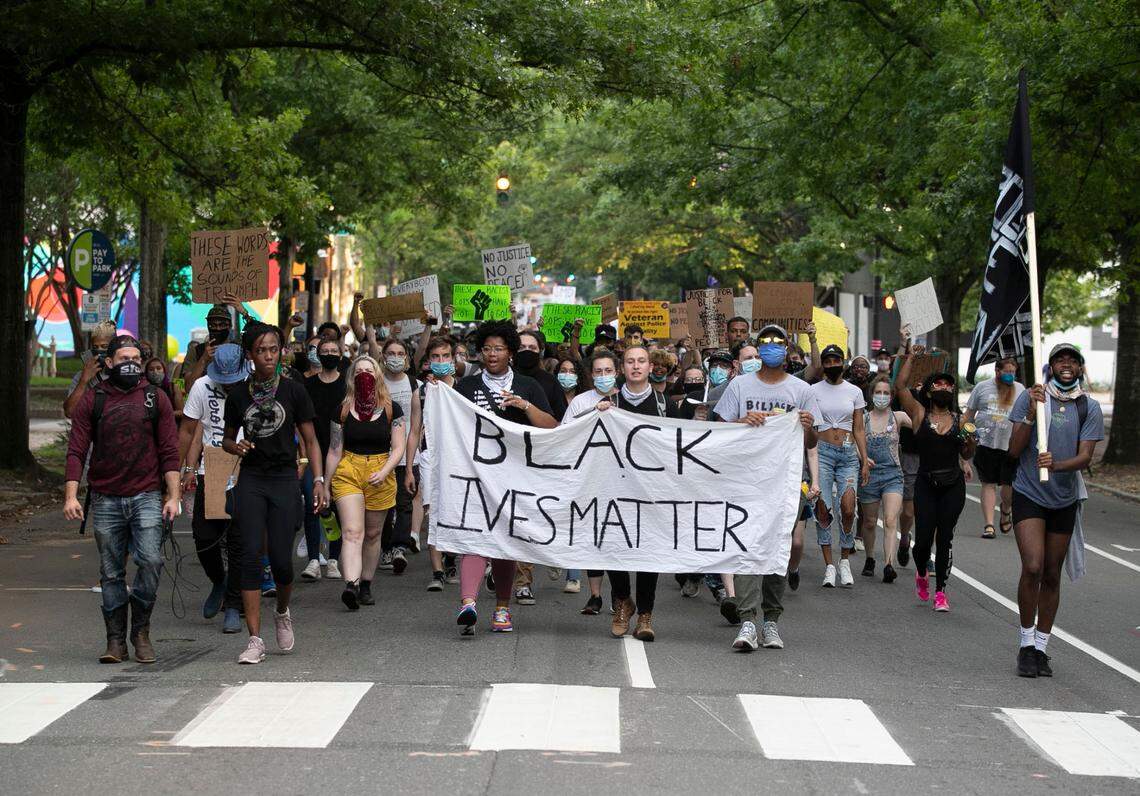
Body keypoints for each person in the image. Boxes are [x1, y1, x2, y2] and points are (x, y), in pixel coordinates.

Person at [63, 335, 180, 664]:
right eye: (122, 358)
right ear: (110, 363)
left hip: (146, 495)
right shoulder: (94, 399)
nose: (129, 363)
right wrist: (71, 494)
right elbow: (77, 449)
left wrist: (172, 495)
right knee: (111, 572)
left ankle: (140, 631)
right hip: (106, 499)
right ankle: (115, 640)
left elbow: (169, 451)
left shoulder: (156, 399)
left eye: (135, 358)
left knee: (152, 561)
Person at [222, 323, 327, 665]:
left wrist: (319, 479)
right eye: (261, 350)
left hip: (284, 479)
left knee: (282, 563)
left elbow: (311, 440)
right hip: (252, 479)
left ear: (281, 351)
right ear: (250, 355)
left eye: (273, 349)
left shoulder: (294, 391)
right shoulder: (238, 394)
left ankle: (282, 610)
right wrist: (236, 447)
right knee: (250, 555)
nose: (268, 355)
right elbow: (226, 438)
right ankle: (255, 639)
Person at [712, 325, 816, 652]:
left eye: (778, 343)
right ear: (758, 349)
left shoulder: (801, 390)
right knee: (747, 546)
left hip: (786, 484)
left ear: (787, 350)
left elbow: (813, 441)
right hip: (746, 481)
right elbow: (717, 431)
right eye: (766, 343)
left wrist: (808, 428)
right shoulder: (739, 387)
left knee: (776, 550)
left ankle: (771, 620)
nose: (772, 348)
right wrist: (741, 423)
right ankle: (747, 620)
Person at [453, 320, 557, 634]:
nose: (492, 354)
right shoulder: (467, 388)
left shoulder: (528, 386)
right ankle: (468, 604)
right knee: (474, 536)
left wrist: (524, 406)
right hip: (477, 475)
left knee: (503, 543)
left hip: (515, 479)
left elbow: (551, 426)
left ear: (510, 352)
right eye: (486, 349)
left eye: (498, 349)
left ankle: (502, 608)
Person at [1007, 343, 1103, 678]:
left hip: (1064, 498)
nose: (1066, 364)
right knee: (1032, 566)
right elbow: (1014, 449)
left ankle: (1041, 648)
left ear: (1080, 368)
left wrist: (1057, 464)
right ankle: (1025, 643)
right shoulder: (1032, 397)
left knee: (1051, 573)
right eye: (1060, 360)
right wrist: (1032, 413)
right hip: (1029, 493)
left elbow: (1086, 456)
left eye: (1072, 360)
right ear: (1050, 367)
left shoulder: (1087, 406)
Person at [595, 345, 680, 642]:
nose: (635, 366)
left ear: (649, 366)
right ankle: (622, 600)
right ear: (622, 369)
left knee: (648, 552)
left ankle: (645, 614)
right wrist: (598, 416)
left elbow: (680, 445)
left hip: (651, 491)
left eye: (641, 361)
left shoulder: (664, 404)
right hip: (614, 490)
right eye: (630, 361)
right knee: (611, 547)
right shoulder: (609, 403)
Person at [895, 336, 976, 614]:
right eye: (938, 384)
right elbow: (901, 386)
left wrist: (970, 440)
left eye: (948, 384)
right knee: (924, 539)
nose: (943, 387)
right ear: (929, 391)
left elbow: (967, 454)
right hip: (926, 483)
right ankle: (920, 569)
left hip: (952, 484)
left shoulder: (962, 419)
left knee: (945, 539)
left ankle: (940, 591)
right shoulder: (919, 413)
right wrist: (912, 358)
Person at [323, 356, 406, 610]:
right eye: (359, 371)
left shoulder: (393, 409)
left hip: (380, 470)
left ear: (378, 375)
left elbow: (398, 446)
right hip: (349, 470)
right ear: (352, 377)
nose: (364, 375)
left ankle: (366, 584)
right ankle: (351, 584)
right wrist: (325, 485)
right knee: (352, 532)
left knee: (372, 534)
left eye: (369, 370)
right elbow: (334, 450)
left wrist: (385, 471)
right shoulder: (343, 409)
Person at [178, 343, 249, 634]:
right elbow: (192, 432)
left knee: (237, 541)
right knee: (203, 537)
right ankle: (219, 582)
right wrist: (187, 469)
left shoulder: (254, 386)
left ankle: (233, 605)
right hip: (213, 466)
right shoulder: (201, 387)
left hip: (246, 465)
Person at [563, 348, 621, 613]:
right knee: (595, 536)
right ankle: (595, 595)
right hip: (589, 479)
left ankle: (621, 595)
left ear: (616, 372)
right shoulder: (580, 402)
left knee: (618, 538)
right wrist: (591, 414)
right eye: (598, 371)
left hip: (624, 480)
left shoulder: (626, 399)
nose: (603, 376)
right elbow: (564, 435)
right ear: (591, 375)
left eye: (608, 371)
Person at [810, 344, 868, 588]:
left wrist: (864, 460)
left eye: (836, 360)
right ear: (823, 364)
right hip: (822, 452)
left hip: (847, 453)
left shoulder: (854, 391)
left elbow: (859, 428)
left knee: (847, 506)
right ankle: (829, 566)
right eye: (828, 361)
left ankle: (844, 559)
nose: (832, 365)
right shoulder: (812, 390)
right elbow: (809, 426)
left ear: (843, 363)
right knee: (822, 507)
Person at [406, 336, 461, 591]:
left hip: (459, 460)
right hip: (430, 458)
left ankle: (450, 557)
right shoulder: (422, 392)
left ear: (452, 359)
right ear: (428, 361)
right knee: (433, 512)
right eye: (435, 357)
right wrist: (410, 467)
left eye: (445, 356)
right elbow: (414, 431)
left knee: (454, 512)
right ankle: (437, 571)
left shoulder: (463, 389)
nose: (440, 362)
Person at [858, 375, 911, 583]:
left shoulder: (898, 417)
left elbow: (920, 421)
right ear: (872, 395)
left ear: (892, 396)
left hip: (893, 474)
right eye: (878, 392)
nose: (882, 396)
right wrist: (863, 457)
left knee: (890, 520)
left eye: (886, 393)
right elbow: (854, 439)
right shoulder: (862, 418)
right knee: (870, 522)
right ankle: (870, 558)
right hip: (868, 475)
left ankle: (889, 564)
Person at [965, 357, 1024, 538]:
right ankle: (989, 525)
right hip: (985, 443)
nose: (1010, 376)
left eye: (1013, 372)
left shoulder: (1020, 390)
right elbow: (969, 414)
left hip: (1010, 446)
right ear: (997, 371)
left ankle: (1005, 508)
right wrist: (967, 437)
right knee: (988, 484)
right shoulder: (982, 387)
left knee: (1008, 487)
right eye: (1007, 372)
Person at [304, 338, 348, 580]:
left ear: (340, 355)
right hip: (314, 454)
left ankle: (333, 558)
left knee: (337, 507)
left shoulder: (346, 385)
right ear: (317, 355)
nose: (329, 354)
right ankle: (312, 559)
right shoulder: (307, 385)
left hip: (341, 453)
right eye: (325, 351)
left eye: (334, 351)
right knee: (313, 503)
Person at [377, 336, 419, 573]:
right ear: (383, 357)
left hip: (405, 458)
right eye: (390, 353)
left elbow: (414, 428)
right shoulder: (375, 382)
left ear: (406, 358)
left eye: (399, 354)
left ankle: (399, 548)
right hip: (380, 456)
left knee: (404, 503)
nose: (395, 358)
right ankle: (384, 548)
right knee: (384, 505)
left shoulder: (414, 384)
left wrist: (411, 465)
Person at [63, 320, 116, 419]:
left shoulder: (122, 372)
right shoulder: (82, 375)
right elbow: (70, 412)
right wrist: (84, 381)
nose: (99, 350)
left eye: (104, 346)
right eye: (96, 347)